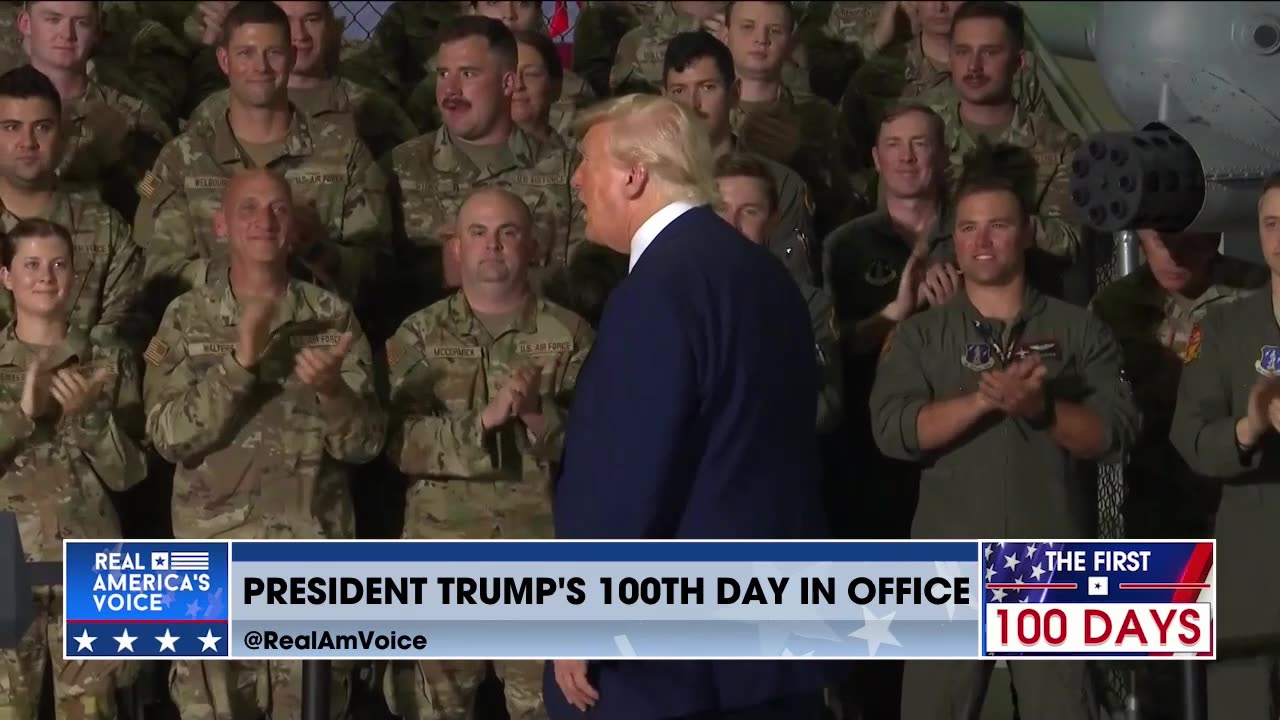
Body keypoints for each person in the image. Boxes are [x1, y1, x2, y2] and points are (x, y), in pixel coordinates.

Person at [548, 92, 830, 720]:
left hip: (668, 664)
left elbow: (630, 470)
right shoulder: (766, 278)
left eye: (587, 162)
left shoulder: (658, 289)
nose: (576, 179)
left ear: (632, 176)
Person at [869, 145, 1139, 720]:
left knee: (1064, 708)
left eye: (998, 226)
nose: (981, 241)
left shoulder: (1079, 329)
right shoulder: (922, 337)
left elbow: (1113, 434)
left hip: (1050, 559)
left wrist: (1041, 410)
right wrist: (983, 401)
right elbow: (892, 430)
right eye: (967, 228)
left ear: (1029, 232)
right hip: (949, 566)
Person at [143, 168, 385, 720]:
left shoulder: (331, 316)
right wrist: (238, 364)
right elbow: (167, 437)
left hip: (311, 561)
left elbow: (366, 443)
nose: (265, 220)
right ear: (222, 225)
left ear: (293, 227)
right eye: (248, 208)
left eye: (278, 209)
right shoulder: (184, 318)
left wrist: (331, 392)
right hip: (209, 567)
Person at [383, 187, 593, 720]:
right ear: (456, 246)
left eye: (507, 232)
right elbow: (395, 441)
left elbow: (599, 452)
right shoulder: (418, 333)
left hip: (539, 560)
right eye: (477, 232)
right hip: (440, 558)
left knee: (544, 709)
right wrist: (483, 421)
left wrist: (535, 415)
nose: (492, 245)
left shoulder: (570, 335)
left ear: (532, 246)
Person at [134, 0, 391, 324]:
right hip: (210, 348)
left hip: (311, 343)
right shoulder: (182, 158)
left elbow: (377, 271)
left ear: (292, 57)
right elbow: (161, 273)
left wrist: (317, 250)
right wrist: (247, 271)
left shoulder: (344, 153)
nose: (261, 67)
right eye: (246, 54)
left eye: (274, 53)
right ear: (224, 60)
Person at [0, 217, 146, 720]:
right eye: (32, 265)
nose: (46, 277)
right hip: (5, 561)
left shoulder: (110, 360)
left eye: (59, 264)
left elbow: (132, 475)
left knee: (93, 712)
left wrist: (89, 420)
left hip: (92, 561)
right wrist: (22, 415)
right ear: (7, 276)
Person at [386, 15, 582, 333]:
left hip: (544, 355)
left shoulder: (566, 168)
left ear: (507, 84)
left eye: (467, 74)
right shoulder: (400, 167)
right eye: (443, 74)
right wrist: (437, 273)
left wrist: (503, 276)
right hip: (430, 362)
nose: (450, 89)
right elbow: (371, 286)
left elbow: (591, 278)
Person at [1169, 173, 1280, 720]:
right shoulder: (1224, 327)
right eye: (1271, 223)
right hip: (1254, 565)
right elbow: (1189, 435)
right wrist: (1248, 428)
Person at [921, 1, 1079, 263]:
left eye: (990, 52)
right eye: (962, 52)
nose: (973, 66)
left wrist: (1006, 224)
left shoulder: (1059, 147)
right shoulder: (920, 135)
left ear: (1018, 62)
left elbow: (1073, 243)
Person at [0, 65, 142, 348]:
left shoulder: (107, 230)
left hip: (83, 386)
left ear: (62, 134)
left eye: (42, 127)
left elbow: (123, 336)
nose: (27, 142)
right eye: (11, 127)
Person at [663, 30, 815, 286]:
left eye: (707, 87)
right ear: (664, 98)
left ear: (734, 92)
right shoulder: (648, 182)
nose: (693, 104)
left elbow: (792, 285)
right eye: (679, 90)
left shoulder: (780, 184)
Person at [184, 0, 417, 161]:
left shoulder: (374, 112)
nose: (300, 35)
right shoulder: (214, 111)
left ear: (331, 25)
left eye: (312, 19)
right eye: (285, 20)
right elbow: (168, 178)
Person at [713, 151, 840, 433]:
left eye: (749, 211)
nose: (732, 224)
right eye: (720, 209)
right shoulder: (670, 299)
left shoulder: (806, 305)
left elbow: (823, 409)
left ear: (772, 222)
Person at [17, 0, 172, 219]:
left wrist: (124, 160)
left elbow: (160, 198)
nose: (66, 34)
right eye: (53, 19)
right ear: (25, 23)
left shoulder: (133, 115)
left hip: (106, 246)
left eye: (81, 22)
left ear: (98, 29)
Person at [724, 0, 865, 238]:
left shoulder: (819, 117)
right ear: (725, 34)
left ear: (791, 40)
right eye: (748, 27)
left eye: (775, 30)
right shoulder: (705, 112)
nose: (761, 39)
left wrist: (803, 160)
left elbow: (849, 206)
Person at [405, 1, 597, 135]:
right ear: (473, 9)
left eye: (523, 3)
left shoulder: (572, 89)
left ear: (539, 13)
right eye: (493, 2)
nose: (509, 14)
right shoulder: (437, 88)